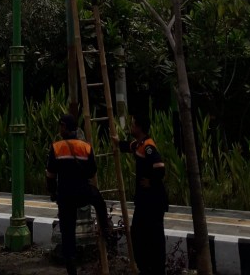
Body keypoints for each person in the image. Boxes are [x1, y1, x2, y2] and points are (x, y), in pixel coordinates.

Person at [46, 114, 110, 275]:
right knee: (99, 200)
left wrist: (53, 192)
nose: (60, 129)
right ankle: (106, 229)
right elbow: (92, 171)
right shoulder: (85, 147)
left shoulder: (56, 148)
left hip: (65, 195)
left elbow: (50, 175)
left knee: (67, 233)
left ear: (65, 127)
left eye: (61, 126)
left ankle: (71, 269)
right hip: (82, 192)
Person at [119, 114, 168, 275]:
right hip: (144, 200)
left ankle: (156, 269)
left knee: (153, 236)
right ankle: (146, 268)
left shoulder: (148, 146)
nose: (131, 127)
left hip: (153, 200)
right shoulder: (139, 144)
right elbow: (128, 146)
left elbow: (160, 167)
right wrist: (116, 142)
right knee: (139, 234)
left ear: (139, 128)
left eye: (133, 124)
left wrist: (151, 182)